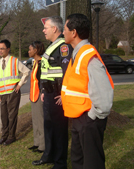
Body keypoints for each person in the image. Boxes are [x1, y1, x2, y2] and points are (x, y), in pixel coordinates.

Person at [61, 13, 114, 169]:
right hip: (79, 118)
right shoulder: (77, 54)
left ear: (74, 32)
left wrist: (92, 117)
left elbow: (104, 96)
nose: (62, 32)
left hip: (89, 119)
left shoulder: (88, 55)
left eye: (64, 29)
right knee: (78, 161)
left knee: (92, 164)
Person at [32, 16, 73, 169]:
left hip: (58, 95)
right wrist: (43, 89)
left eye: (46, 27)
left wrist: (64, 93)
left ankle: (60, 163)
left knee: (59, 130)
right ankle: (48, 155)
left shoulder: (63, 47)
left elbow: (67, 72)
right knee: (48, 126)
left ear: (55, 29)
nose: (43, 30)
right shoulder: (52, 46)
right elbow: (46, 71)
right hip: (49, 93)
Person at [0, 39, 30, 146]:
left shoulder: (14, 61)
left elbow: (26, 72)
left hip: (13, 92)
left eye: (2, 48)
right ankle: (4, 136)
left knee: (12, 115)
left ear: (8, 49)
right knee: (4, 116)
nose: (0, 51)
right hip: (2, 94)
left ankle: (11, 137)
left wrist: (19, 84)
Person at [28, 41, 45, 153]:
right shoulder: (34, 63)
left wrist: (42, 92)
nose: (28, 51)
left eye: (30, 49)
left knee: (41, 120)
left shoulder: (42, 63)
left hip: (39, 96)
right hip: (33, 96)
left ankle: (43, 145)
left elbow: (42, 80)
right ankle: (37, 142)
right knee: (35, 120)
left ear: (36, 50)